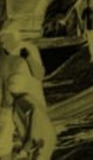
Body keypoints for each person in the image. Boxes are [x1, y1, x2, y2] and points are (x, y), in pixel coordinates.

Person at [0, 21, 46, 160]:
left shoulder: (29, 49)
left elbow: (40, 74)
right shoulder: (3, 55)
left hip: (29, 101)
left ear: (15, 36)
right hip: (9, 105)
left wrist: (28, 58)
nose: (2, 41)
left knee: (33, 141)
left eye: (4, 36)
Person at [8, 73, 54, 160]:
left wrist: (25, 148)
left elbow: (35, 121)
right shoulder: (28, 99)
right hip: (42, 140)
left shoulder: (22, 101)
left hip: (39, 141)